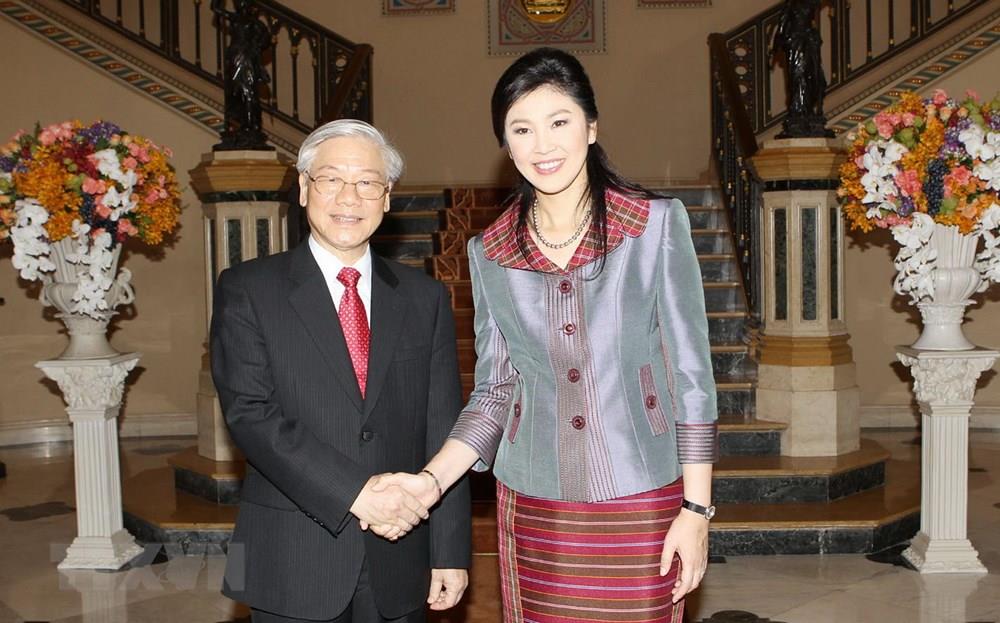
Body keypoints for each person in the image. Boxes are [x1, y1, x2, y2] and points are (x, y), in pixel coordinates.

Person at [376, 47, 719, 622]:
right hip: (535, 506)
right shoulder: (489, 253)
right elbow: (494, 392)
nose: (542, 144)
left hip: (644, 499)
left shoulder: (656, 226)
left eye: (559, 121)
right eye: (522, 129)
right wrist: (430, 483)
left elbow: (692, 377)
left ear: (590, 126)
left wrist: (696, 509)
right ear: (506, 147)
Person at [210, 119, 471, 623]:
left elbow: (444, 425)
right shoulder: (248, 289)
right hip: (293, 554)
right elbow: (250, 415)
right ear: (305, 188)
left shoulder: (424, 298)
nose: (349, 197)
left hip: (402, 552)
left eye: (367, 182)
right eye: (331, 179)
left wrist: (450, 550)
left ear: (387, 197)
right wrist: (356, 493)